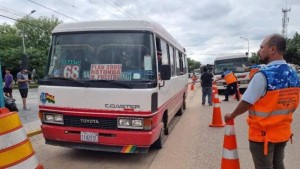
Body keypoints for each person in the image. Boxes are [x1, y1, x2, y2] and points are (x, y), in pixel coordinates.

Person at [224, 34, 300, 169]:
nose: (259, 51)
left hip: (263, 135)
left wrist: (232, 115)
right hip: (282, 132)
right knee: (278, 165)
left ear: (273, 49)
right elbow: (293, 104)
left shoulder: (263, 75)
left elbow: (247, 101)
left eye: (261, 47)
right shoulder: (294, 73)